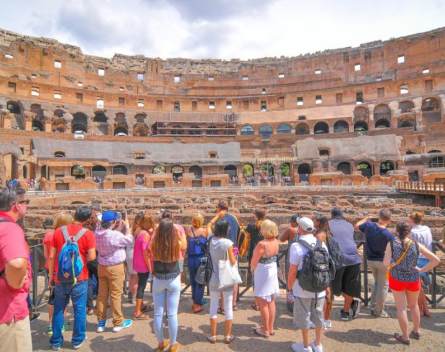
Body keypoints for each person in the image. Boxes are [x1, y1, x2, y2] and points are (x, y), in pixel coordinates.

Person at [383, 221, 440, 345]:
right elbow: (436, 260)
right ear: (409, 232)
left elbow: (386, 264)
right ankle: (416, 330)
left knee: (401, 308)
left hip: (397, 278)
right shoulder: (416, 244)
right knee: (414, 306)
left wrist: (393, 262)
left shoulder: (391, 244)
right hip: (413, 278)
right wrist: (421, 270)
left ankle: (405, 336)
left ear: (397, 232)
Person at [48, 206, 97, 350]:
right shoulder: (87, 234)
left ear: (74, 215)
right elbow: (92, 256)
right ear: (87, 219)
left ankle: (56, 341)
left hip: (60, 277)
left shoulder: (58, 231)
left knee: (58, 309)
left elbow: (52, 256)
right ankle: (77, 340)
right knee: (79, 309)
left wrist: (51, 275)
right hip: (79, 278)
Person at [0, 188, 32, 352]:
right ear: (16, 205)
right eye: (26, 202)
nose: (27, 206)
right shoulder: (11, 229)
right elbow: (17, 263)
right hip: (8, 310)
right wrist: (15, 283)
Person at [288, 217, 327, 352]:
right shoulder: (321, 244)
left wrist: (289, 288)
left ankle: (306, 346)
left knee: (304, 315)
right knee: (318, 314)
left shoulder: (296, 246)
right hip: (319, 286)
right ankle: (318, 344)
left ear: (300, 228)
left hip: (302, 287)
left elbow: (293, 270)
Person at [150, 219, 187, 352]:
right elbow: (185, 246)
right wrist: (177, 233)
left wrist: (155, 232)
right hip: (173, 278)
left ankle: (160, 343)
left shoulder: (155, 244)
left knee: (158, 314)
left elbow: (149, 246)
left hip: (158, 279)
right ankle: (172, 344)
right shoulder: (176, 243)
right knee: (172, 314)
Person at [95, 211, 133, 333]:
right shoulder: (114, 235)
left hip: (102, 266)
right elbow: (128, 240)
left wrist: (119, 228)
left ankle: (101, 322)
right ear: (112, 222)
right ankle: (118, 322)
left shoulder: (96, 233)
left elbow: (112, 234)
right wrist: (127, 227)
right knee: (116, 295)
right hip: (115, 267)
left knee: (102, 295)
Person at [355, 209, 394, 318]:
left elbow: (357, 226)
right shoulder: (388, 234)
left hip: (370, 260)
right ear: (389, 220)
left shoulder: (368, 225)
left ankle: (374, 306)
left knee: (377, 283)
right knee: (383, 286)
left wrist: (366, 219)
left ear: (378, 216)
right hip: (382, 262)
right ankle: (378, 311)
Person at [206, 214, 237, 345]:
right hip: (226, 278)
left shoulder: (211, 240)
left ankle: (213, 335)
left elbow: (208, 225)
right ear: (226, 229)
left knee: (213, 306)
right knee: (228, 307)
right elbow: (233, 261)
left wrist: (217, 216)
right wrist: (235, 254)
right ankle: (228, 336)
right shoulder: (228, 243)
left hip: (213, 276)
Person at [329, 207, 361, 321]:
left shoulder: (328, 224)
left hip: (339, 259)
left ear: (331, 215)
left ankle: (349, 306)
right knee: (349, 286)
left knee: (332, 286)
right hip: (354, 258)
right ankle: (346, 311)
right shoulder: (349, 225)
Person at [43, 212, 73, 335]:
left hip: (50, 269)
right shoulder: (66, 237)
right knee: (64, 298)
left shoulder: (49, 235)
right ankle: (59, 323)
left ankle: (51, 324)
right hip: (63, 271)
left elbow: (47, 256)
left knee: (53, 297)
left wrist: (50, 273)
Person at [250, 220, 280, 339]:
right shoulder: (276, 241)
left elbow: (254, 261)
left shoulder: (262, 244)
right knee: (271, 300)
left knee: (263, 301)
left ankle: (265, 330)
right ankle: (270, 328)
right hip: (272, 269)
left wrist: (252, 270)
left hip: (263, 271)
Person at [215, 200, 240, 312]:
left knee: (223, 279)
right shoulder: (234, 218)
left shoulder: (220, 219)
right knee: (233, 278)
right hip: (234, 250)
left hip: (224, 250)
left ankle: (224, 305)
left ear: (219, 209)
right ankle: (233, 304)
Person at [408, 212, 434, 317]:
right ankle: (425, 309)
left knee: (417, 287)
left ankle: (421, 310)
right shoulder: (427, 229)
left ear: (410, 220)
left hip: (416, 260)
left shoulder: (411, 232)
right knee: (419, 285)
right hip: (427, 259)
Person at [185, 213, 209, 313]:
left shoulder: (188, 230)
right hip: (201, 259)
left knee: (193, 280)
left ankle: (195, 300)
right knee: (200, 281)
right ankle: (196, 304)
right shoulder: (205, 231)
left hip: (190, 259)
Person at [133, 213, 155, 320]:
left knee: (141, 284)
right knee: (141, 286)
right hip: (143, 264)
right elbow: (146, 254)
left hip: (137, 261)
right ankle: (137, 312)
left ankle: (141, 306)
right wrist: (150, 269)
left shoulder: (138, 231)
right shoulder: (145, 235)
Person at [313, 213, 333, 330]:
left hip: (323, 266)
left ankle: (324, 320)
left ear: (318, 223)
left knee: (326, 292)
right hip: (327, 265)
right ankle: (326, 319)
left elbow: (319, 254)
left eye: (314, 220)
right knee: (327, 292)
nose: (312, 222)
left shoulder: (320, 236)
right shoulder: (326, 232)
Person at [246, 207, 266, 311]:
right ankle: (264, 302)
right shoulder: (267, 226)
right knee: (264, 280)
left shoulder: (250, 226)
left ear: (256, 216)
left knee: (255, 279)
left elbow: (247, 236)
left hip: (254, 254)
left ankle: (256, 303)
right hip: (265, 255)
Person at [280, 214, 301, 310]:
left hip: (291, 257)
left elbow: (281, 239)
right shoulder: (303, 230)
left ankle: (291, 304)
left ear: (293, 222)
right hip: (302, 257)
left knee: (290, 280)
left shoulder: (291, 230)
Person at [83, 213, 100, 316]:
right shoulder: (97, 233)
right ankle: (99, 303)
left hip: (85, 258)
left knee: (88, 284)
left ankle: (90, 308)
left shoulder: (83, 232)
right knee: (100, 282)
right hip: (96, 258)